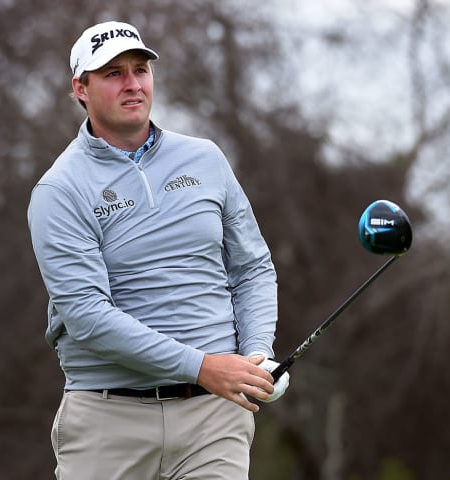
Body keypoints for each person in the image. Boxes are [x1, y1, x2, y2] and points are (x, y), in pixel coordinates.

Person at [27, 20, 290, 480]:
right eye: (113, 74)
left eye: (140, 70)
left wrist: (253, 356)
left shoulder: (205, 158)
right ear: (80, 89)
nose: (132, 84)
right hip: (110, 420)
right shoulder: (60, 189)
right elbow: (87, 317)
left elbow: (251, 268)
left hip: (213, 418)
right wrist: (203, 366)